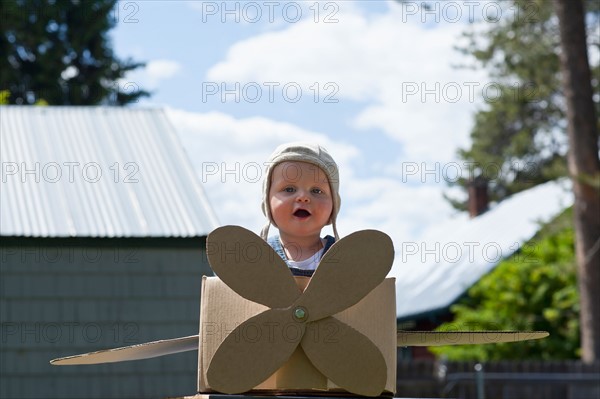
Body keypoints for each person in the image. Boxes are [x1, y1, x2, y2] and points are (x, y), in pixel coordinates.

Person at [260, 142, 341, 277]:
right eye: (289, 189)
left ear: (334, 205)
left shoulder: (345, 259)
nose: (303, 197)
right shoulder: (256, 259)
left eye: (316, 190)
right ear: (268, 202)